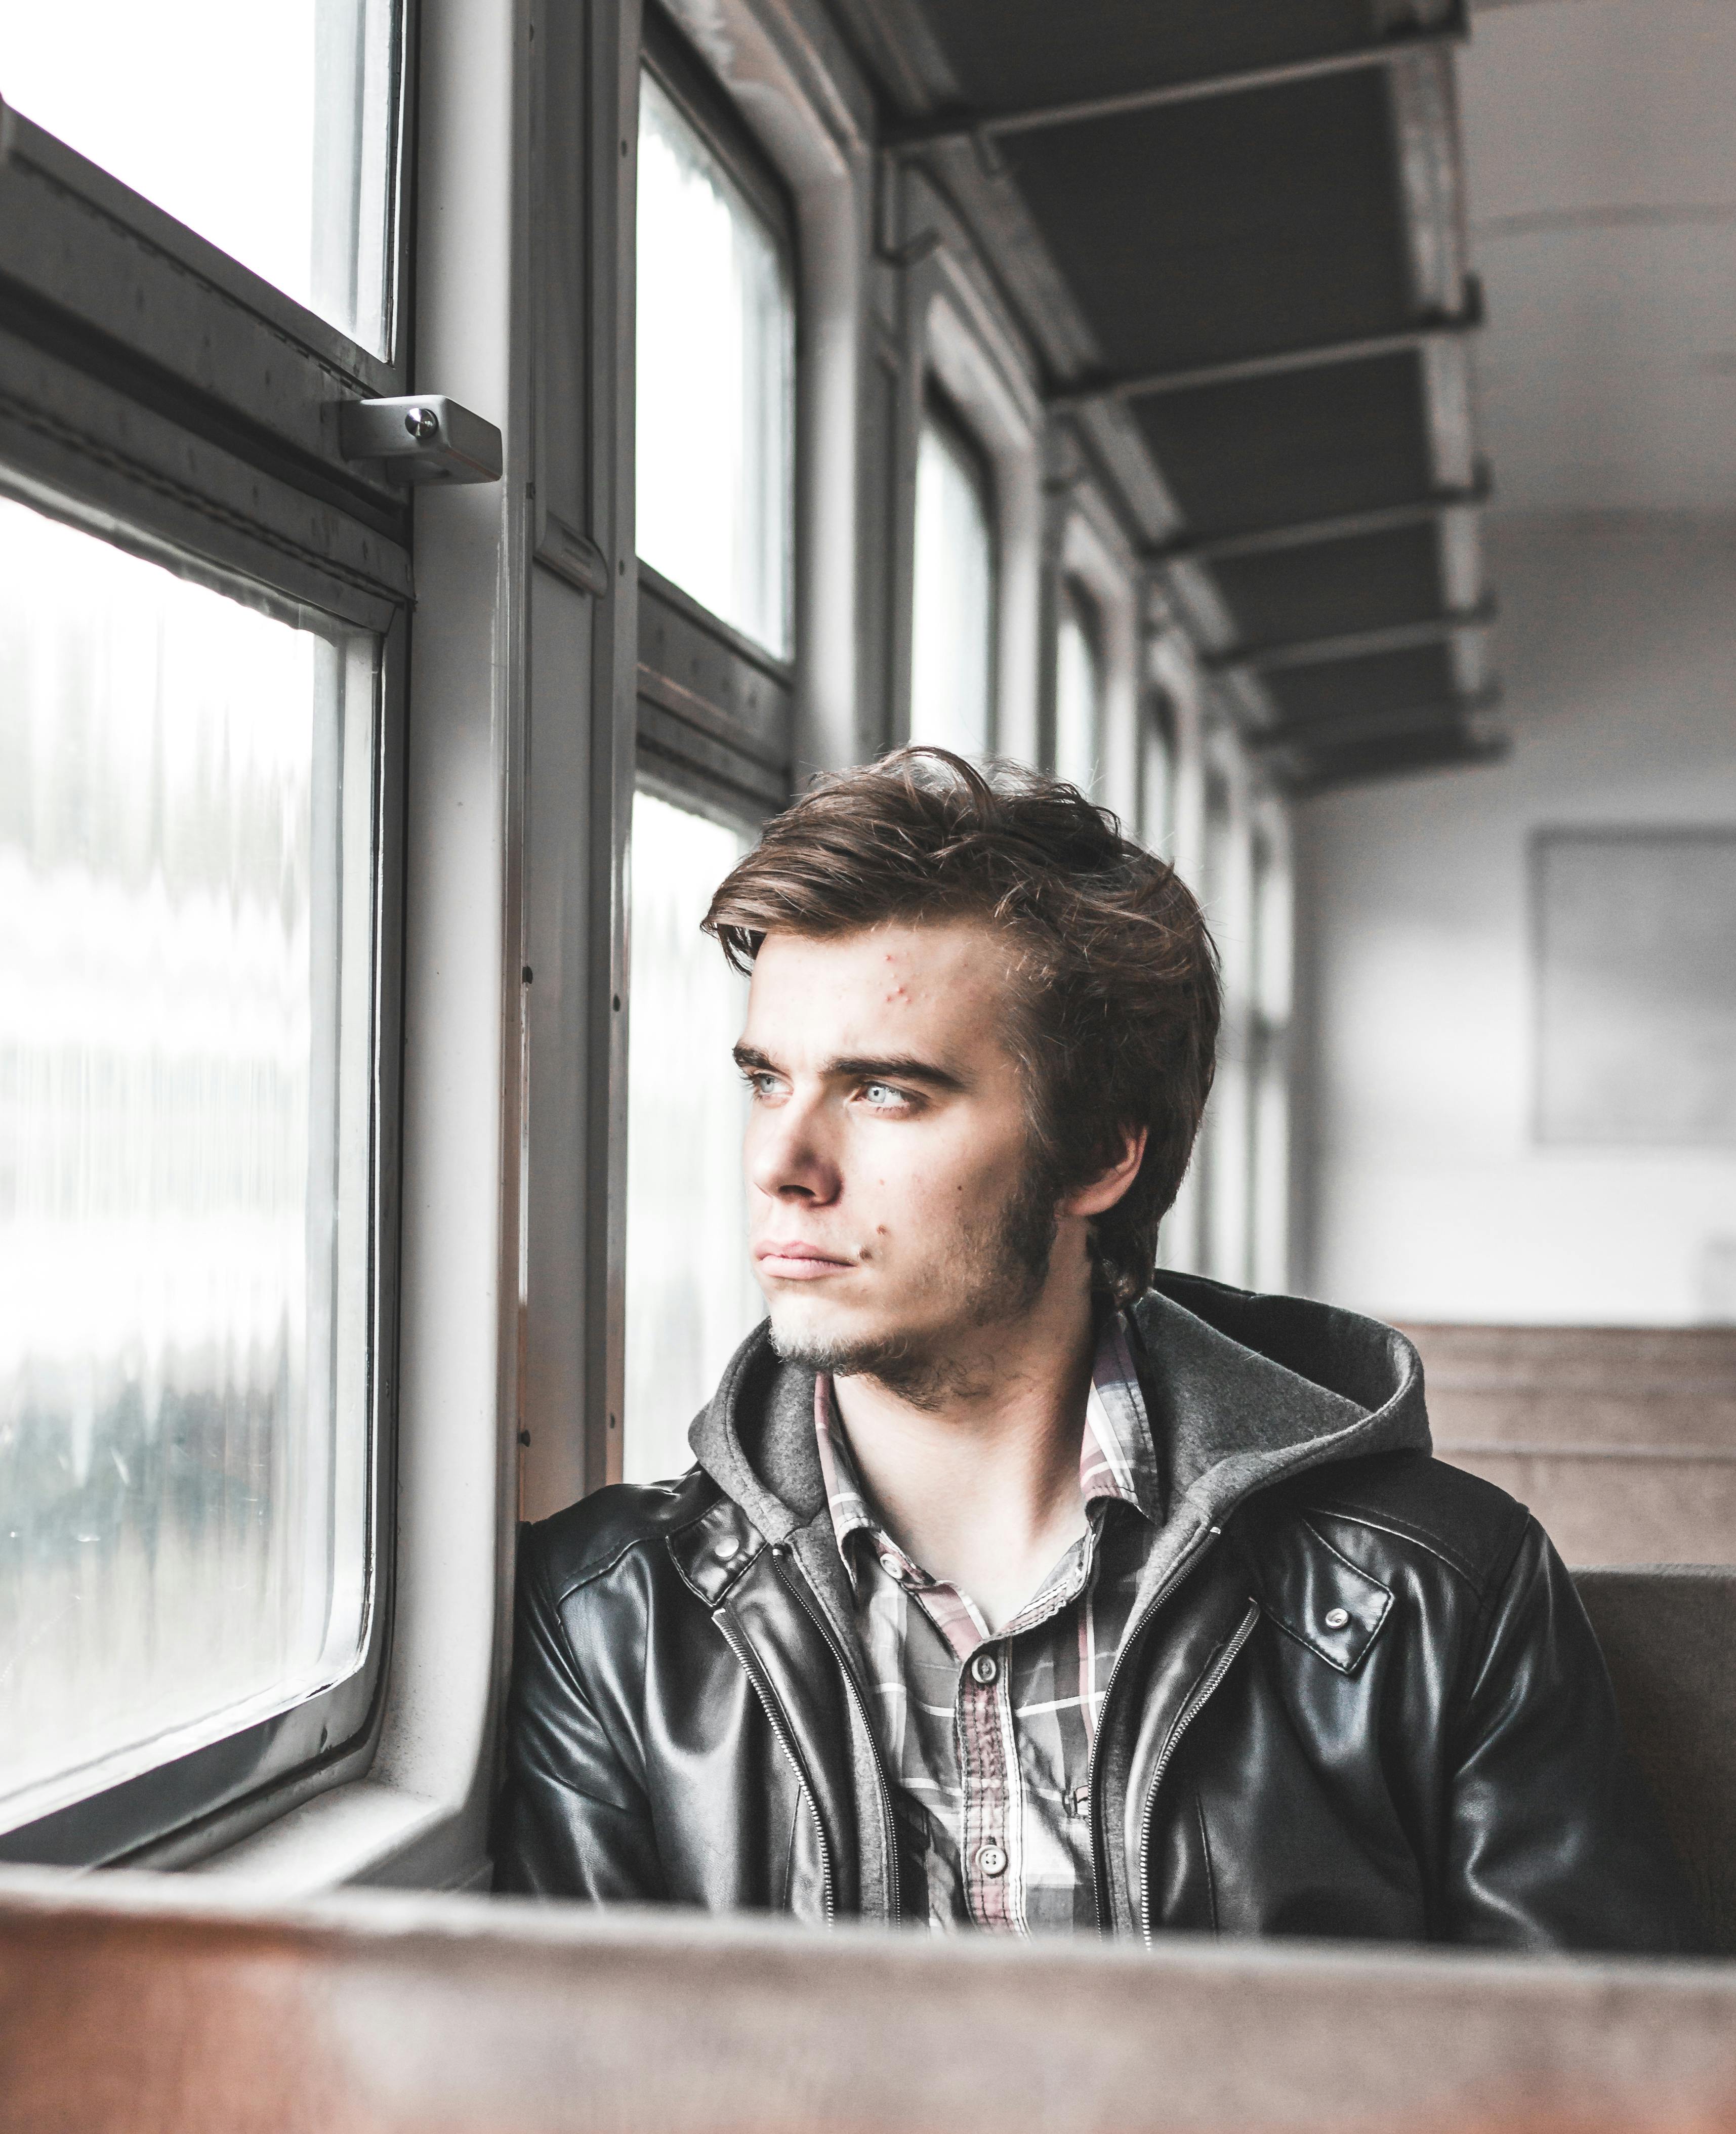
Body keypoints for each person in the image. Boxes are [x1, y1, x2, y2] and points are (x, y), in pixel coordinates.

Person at [494, 747, 1697, 1948]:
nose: (780, 1166)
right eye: (767, 1081)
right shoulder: (611, 1619)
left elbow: (1593, 2082)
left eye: (883, 1094)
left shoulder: (1434, 1594)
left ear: (1098, 1156)